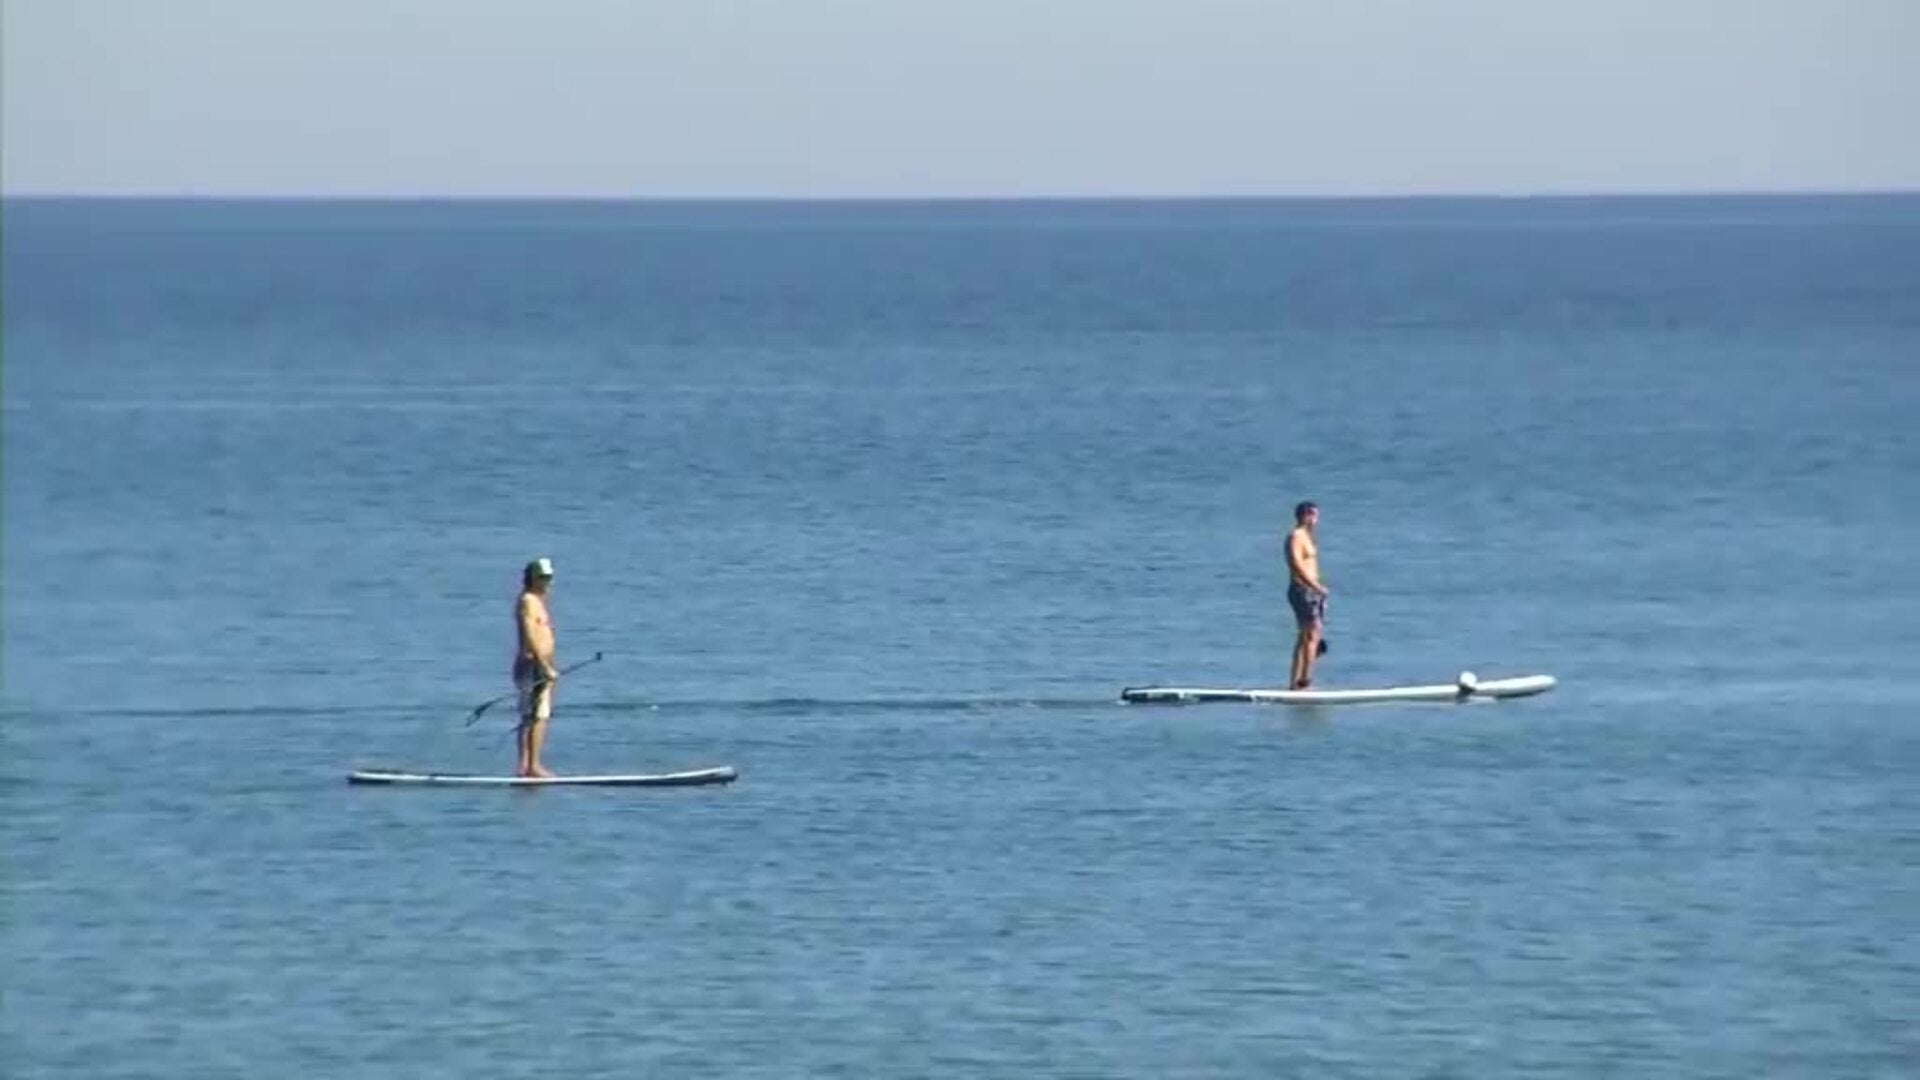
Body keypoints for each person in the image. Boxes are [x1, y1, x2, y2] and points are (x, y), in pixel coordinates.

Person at [513, 557, 559, 778]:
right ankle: (532, 766)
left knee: (534, 715)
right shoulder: (528, 601)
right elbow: (530, 633)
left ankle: (527, 766)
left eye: (549, 577)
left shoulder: (538, 601)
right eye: (542, 577)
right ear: (532, 577)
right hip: (533, 665)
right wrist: (544, 665)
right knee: (536, 716)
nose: (547, 581)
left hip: (541, 664)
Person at [1285, 502, 1329, 689]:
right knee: (1311, 636)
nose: (1316, 520)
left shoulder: (1307, 537)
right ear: (1305, 516)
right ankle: (1304, 682)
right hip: (1303, 590)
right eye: (1314, 515)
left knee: (1307, 636)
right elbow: (1295, 564)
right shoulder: (1296, 537)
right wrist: (1315, 587)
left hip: (1311, 592)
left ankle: (1296, 684)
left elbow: (1310, 566)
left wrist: (1320, 594)